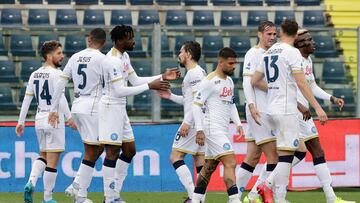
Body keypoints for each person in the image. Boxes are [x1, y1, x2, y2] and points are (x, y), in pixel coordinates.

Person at [100, 24, 180, 203]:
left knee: (129, 151)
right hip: (110, 108)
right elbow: (120, 90)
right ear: (120, 40)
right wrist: (150, 86)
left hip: (120, 109)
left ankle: (114, 195)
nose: (133, 40)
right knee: (112, 152)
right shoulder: (112, 60)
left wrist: (161, 77)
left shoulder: (124, 56)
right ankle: (109, 197)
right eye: (130, 37)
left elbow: (135, 80)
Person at [251, 19, 328, 203]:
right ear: (296, 35)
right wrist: (317, 107)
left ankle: (266, 189)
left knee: (296, 151)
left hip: (270, 109)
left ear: (280, 32)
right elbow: (302, 83)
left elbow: (254, 80)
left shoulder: (270, 51)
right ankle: (276, 196)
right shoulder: (292, 53)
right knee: (286, 157)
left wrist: (274, 89)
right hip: (286, 110)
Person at [291, 29, 354, 203]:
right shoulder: (294, 59)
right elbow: (296, 87)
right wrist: (315, 108)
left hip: (300, 111)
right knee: (317, 151)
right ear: (300, 44)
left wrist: (331, 98)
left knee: (297, 154)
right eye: (309, 39)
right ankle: (331, 198)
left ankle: (264, 185)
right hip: (296, 111)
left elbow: (311, 86)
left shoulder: (307, 60)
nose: (314, 42)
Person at [48, 28, 107, 203]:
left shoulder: (75, 57)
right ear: (103, 43)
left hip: (77, 106)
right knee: (98, 149)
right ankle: (77, 189)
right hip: (93, 108)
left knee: (96, 148)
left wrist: (53, 108)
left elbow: (61, 83)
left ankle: (80, 193)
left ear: (89, 40)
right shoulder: (103, 60)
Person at [16, 40, 76, 203]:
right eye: (59, 53)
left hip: (39, 118)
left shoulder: (34, 74)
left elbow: (27, 99)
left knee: (42, 155)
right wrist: (69, 118)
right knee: (53, 161)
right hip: (54, 118)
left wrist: (21, 121)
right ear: (49, 56)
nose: (62, 56)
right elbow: (61, 97)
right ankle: (47, 198)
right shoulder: (58, 74)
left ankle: (31, 182)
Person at [191, 47, 244, 203]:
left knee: (208, 168)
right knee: (231, 162)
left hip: (222, 129)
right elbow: (196, 105)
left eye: (235, 63)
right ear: (220, 62)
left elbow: (231, 104)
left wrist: (238, 123)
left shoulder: (229, 81)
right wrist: (200, 130)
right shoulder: (209, 81)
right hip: (212, 129)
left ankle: (195, 200)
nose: (234, 66)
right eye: (231, 63)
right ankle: (234, 199)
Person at [157, 41, 206, 203]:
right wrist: (170, 96)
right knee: (199, 161)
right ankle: (199, 199)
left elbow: (197, 103)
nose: (179, 55)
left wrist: (187, 122)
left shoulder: (194, 74)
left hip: (193, 123)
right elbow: (189, 100)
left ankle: (194, 196)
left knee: (175, 156)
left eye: (181, 52)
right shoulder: (197, 73)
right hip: (201, 122)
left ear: (189, 55)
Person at [236, 21, 278, 203]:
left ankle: (235, 197)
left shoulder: (272, 53)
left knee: (252, 157)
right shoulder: (254, 53)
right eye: (269, 34)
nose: (272, 37)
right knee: (275, 158)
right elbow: (247, 81)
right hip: (258, 111)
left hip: (264, 110)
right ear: (260, 34)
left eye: (274, 34)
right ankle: (258, 195)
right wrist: (252, 105)